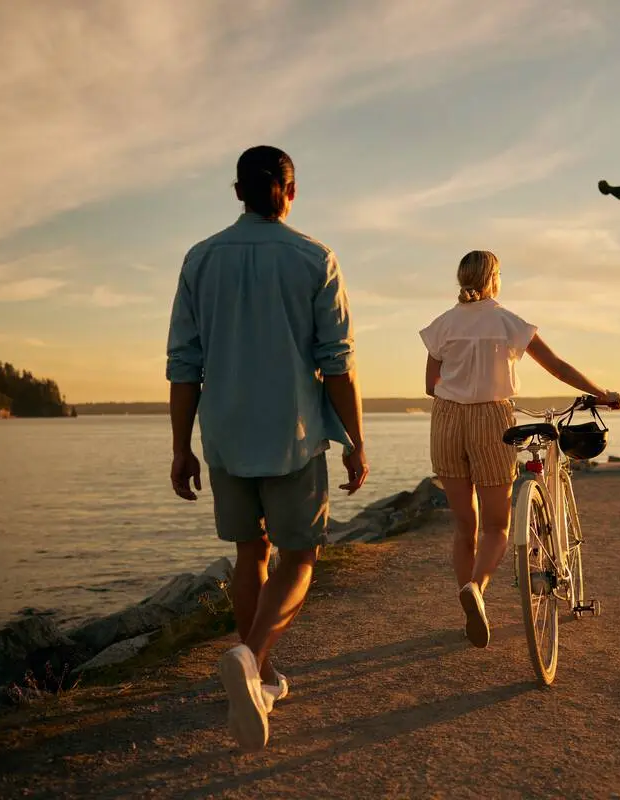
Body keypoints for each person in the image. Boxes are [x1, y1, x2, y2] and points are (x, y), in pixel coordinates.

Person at [166, 145, 368, 752]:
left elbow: (184, 364)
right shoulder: (315, 258)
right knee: (300, 558)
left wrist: (180, 447)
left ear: (238, 192)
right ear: (291, 191)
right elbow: (338, 363)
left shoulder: (200, 259)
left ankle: (262, 675)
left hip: (225, 434)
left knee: (249, 553)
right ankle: (252, 659)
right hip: (292, 436)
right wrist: (356, 440)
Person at [418, 250, 619, 648]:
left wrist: (460, 385)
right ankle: (476, 588)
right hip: (491, 419)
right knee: (497, 527)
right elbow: (557, 366)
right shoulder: (506, 321)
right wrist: (600, 393)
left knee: (465, 527)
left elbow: (430, 385)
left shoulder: (443, 324)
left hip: (445, 421)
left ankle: (469, 609)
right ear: (494, 278)